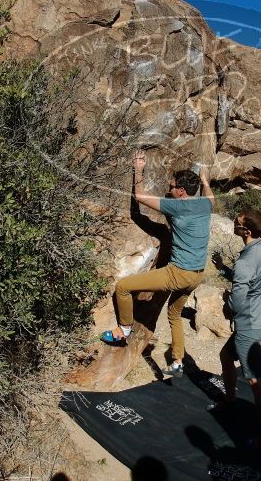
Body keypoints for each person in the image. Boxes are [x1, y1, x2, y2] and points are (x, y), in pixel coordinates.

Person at [101, 150, 214, 377]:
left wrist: (139, 169)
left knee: (123, 287)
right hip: (197, 275)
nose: (168, 189)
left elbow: (140, 197)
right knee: (174, 314)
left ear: (181, 192)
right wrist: (204, 181)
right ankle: (178, 362)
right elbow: (211, 196)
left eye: (171, 187)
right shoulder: (205, 204)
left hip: (178, 273)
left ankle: (123, 330)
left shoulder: (178, 206)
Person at [210, 208, 261, 450]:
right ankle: (229, 399)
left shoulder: (246, 260)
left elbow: (237, 299)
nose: (233, 225)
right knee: (225, 357)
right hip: (258, 320)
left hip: (247, 325)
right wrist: (223, 268)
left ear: (246, 231)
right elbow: (250, 279)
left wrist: (228, 307)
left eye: (236, 223)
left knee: (255, 381)